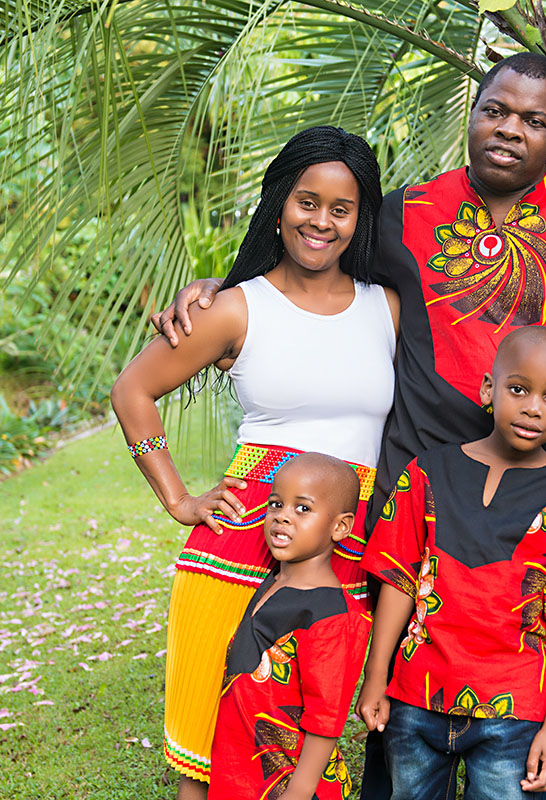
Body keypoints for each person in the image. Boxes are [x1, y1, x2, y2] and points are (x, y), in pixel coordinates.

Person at [152, 53, 546, 800]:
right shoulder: (404, 213)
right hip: (420, 518)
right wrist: (223, 290)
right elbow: (316, 266)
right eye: (495, 110)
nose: (509, 130)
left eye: (534, 120)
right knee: (404, 742)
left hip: (541, 527)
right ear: (472, 113)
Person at [110, 125, 399, 800]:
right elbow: (132, 391)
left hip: (343, 546)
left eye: (341, 208)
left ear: (360, 220)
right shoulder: (236, 308)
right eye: (306, 201)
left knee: (302, 745)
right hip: (238, 545)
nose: (320, 221)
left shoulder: (386, 307)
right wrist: (178, 499)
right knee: (208, 748)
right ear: (278, 205)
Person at [357, 327, 546, 799]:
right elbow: (398, 578)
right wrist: (376, 678)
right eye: (518, 389)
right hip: (417, 696)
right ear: (487, 389)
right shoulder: (427, 472)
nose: (533, 408)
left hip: (514, 712)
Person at [209, 452, 372, 800]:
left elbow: (326, 717)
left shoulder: (331, 616)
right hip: (242, 768)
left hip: (287, 781)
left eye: (303, 508)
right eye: (276, 504)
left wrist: (299, 791)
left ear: (340, 527)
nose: (282, 516)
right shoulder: (272, 580)